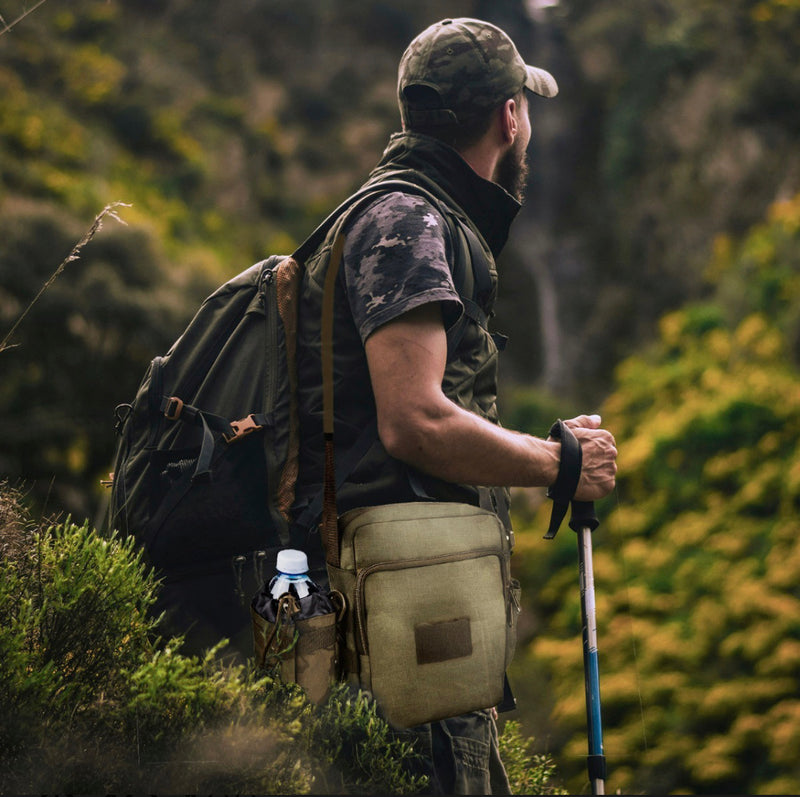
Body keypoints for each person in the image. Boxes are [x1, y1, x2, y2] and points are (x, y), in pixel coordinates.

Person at [291, 17, 618, 795]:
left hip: (381, 608)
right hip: (401, 621)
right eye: (524, 108)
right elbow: (415, 420)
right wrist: (558, 462)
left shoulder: (397, 212)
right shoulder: (410, 221)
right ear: (510, 116)